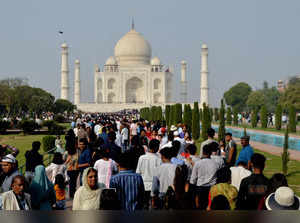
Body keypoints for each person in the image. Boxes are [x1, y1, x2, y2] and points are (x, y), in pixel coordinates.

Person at [190, 144, 218, 210]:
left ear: (202, 152)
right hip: (211, 190)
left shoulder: (198, 163)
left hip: (200, 190)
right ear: (210, 153)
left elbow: (193, 180)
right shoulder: (215, 164)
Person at [136, 139, 162, 209]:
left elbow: (138, 172)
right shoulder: (158, 159)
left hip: (143, 185)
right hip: (154, 186)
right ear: (156, 147)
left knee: (144, 206)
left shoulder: (141, 158)